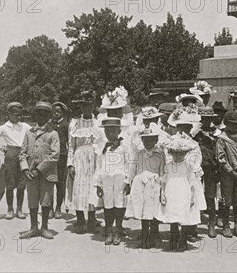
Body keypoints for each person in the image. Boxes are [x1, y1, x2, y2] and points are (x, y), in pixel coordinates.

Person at [19, 102, 60, 240]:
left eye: (44, 113)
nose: (41, 116)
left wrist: (39, 169)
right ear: (35, 114)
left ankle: (44, 227)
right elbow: (22, 153)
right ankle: (33, 227)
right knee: (32, 199)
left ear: (49, 116)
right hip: (30, 174)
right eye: (38, 112)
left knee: (46, 200)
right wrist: (25, 168)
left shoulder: (53, 133)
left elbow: (55, 155)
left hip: (47, 174)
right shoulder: (29, 133)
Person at [67, 90, 104, 234]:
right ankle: (80, 220)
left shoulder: (98, 123)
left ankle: (92, 220)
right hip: (79, 158)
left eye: (89, 105)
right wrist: (70, 164)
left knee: (92, 188)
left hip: (94, 158)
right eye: (83, 105)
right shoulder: (75, 124)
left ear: (93, 105)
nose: (86, 108)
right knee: (78, 188)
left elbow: (102, 143)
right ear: (80, 107)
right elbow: (71, 145)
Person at [159, 134, 203, 252]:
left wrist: (193, 197)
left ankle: (183, 240)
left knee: (185, 217)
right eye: (175, 153)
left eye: (181, 153)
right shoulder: (168, 166)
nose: (178, 156)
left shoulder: (189, 166)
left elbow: (193, 183)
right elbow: (163, 181)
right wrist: (163, 194)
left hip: (184, 193)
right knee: (173, 215)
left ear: (186, 153)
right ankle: (173, 239)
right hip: (172, 192)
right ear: (170, 153)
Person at [0, 102, 31, 220]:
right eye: (16, 114)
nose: (19, 117)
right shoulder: (3, 128)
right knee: (10, 184)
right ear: (9, 114)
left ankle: (19, 209)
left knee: (22, 185)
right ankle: (10, 209)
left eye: (20, 115)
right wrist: (1, 147)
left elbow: (34, 135)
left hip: (23, 156)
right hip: (10, 156)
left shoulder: (25, 126)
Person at [94, 117, 132, 246]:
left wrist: (128, 181)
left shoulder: (124, 146)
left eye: (113, 130)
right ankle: (109, 229)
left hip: (120, 179)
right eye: (107, 131)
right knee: (108, 204)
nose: (110, 133)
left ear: (119, 131)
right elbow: (99, 165)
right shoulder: (102, 146)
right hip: (106, 180)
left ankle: (118, 229)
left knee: (119, 204)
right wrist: (98, 184)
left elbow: (129, 164)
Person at [126, 128, 166, 249]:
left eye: (151, 139)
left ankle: (155, 234)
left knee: (154, 209)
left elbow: (162, 171)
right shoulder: (138, 153)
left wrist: (162, 187)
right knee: (143, 210)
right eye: (146, 139)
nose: (148, 142)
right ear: (142, 140)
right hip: (140, 184)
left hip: (154, 184)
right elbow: (132, 168)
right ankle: (144, 235)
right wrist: (129, 182)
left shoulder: (160, 154)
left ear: (156, 140)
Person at [216, 110, 237, 238]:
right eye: (231, 124)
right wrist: (231, 171)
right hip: (228, 174)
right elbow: (221, 159)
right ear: (225, 123)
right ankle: (225, 226)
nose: (234, 126)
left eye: (236, 124)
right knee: (227, 200)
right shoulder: (222, 139)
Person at [194, 107, 221, 238]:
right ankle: (192, 225)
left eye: (208, 119)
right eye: (203, 118)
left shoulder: (216, 132)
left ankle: (211, 223)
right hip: (198, 166)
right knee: (195, 193)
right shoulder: (196, 132)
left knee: (210, 196)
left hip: (211, 166)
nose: (205, 121)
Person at [51, 101, 70, 219]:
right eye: (54, 111)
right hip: (50, 158)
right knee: (49, 183)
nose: (56, 114)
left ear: (63, 113)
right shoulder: (49, 125)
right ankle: (49, 208)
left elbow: (69, 142)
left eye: (59, 111)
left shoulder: (66, 125)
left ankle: (58, 208)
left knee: (60, 184)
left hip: (62, 156)